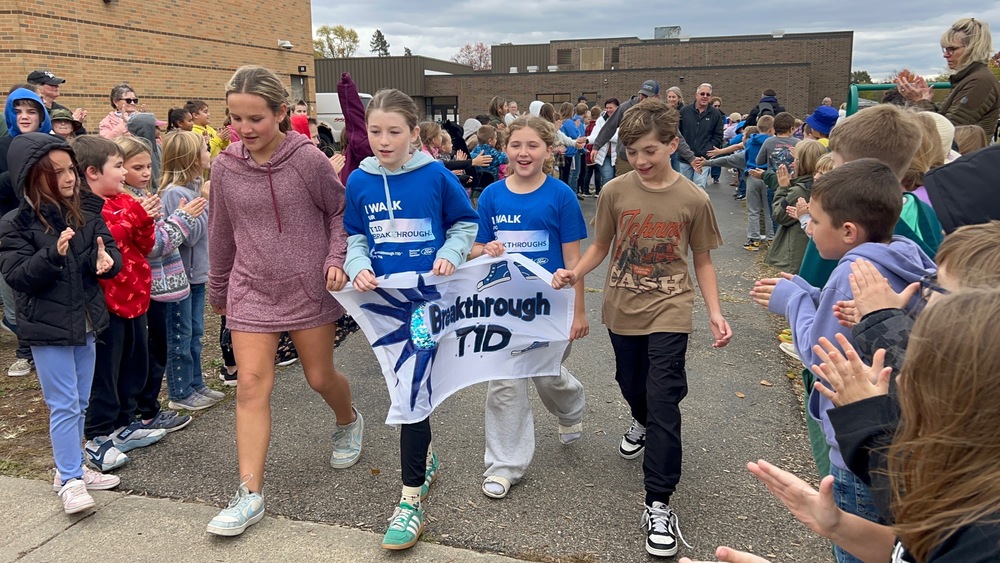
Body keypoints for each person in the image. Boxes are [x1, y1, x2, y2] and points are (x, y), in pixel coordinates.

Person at [697, 288, 1000, 563]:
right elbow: (915, 548)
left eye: (917, 369)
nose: (901, 378)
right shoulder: (967, 489)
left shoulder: (985, 541)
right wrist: (839, 526)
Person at [551, 98, 732, 559]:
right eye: (633, 152)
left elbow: (703, 260)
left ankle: (659, 502)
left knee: (665, 398)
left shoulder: (694, 198)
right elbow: (601, 246)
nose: (642, 161)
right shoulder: (614, 191)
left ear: (673, 143)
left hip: (672, 307)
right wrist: (577, 273)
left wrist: (713, 311)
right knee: (631, 383)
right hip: (623, 307)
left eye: (651, 150)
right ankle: (641, 417)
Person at [751, 159, 935, 563]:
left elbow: (823, 352)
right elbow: (851, 323)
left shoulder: (852, 269)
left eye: (815, 221)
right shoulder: (901, 254)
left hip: (857, 447)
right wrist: (810, 294)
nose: (810, 228)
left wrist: (792, 301)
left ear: (848, 231)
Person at [206, 65, 362, 537]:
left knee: (319, 377)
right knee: (251, 386)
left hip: (307, 287)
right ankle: (249, 494)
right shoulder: (225, 165)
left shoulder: (308, 160)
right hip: (250, 290)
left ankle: (348, 419)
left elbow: (339, 212)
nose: (245, 129)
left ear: (281, 113)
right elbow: (221, 232)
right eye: (236, 118)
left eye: (255, 118)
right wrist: (218, 288)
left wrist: (337, 256)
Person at [343, 88, 479, 550]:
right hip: (384, 304)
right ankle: (425, 460)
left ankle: (409, 502)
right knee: (409, 388)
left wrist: (451, 252)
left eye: (393, 132)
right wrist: (357, 264)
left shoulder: (437, 176)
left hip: (430, 301)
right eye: (374, 131)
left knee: (411, 390)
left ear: (413, 134)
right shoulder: (359, 181)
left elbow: (465, 223)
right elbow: (356, 233)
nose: (382, 140)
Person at [0, 132, 122, 513]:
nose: (69, 178)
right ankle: (69, 479)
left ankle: (73, 468)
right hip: (48, 329)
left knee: (80, 401)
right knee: (64, 404)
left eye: (71, 169)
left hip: (84, 323)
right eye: (57, 172)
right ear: (32, 176)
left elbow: (107, 250)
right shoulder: (16, 223)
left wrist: (106, 263)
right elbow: (18, 275)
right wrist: (51, 255)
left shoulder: (85, 210)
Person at [470, 116, 588, 500]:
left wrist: (579, 312)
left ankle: (570, 406)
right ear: (505, 148)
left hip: (552, 308)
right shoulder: (491, 196)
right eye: (516, 144)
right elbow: (475, 248)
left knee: (547, 375)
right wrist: (484, 250)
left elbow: (574, 262)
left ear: (549, 150)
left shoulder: (561, 196)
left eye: (532, 145)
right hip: (504, 308)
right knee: (505, 381)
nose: (524, 153)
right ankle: (505, 464)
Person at [69, 135, 167, 465]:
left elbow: (144, 243)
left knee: (134, 364)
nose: (124, 173)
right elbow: (105, 236)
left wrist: (143, 219)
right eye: (119, 166)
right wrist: (137, 215)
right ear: (93, 172)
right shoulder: (83, 208)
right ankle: (98, 433)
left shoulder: (126, 201)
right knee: (105, 371)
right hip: (106, 305)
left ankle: (126, 423)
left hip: (135, 296)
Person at [115, 135, 201, 433]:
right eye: (136, 167)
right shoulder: (130, 201)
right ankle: (145, 411)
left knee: (158, 350)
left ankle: (148, 410)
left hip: (163, 284)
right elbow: (154, 245)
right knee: (150, 354)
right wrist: (182, 218)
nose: (145, 173)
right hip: (148, 288)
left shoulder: (142, 195)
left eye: (147, 166)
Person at [156, 131, 220, 411]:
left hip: (196, 275)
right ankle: (180, 392)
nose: (210, 154)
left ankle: (196, 384)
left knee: (194, 333)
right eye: (205, 150)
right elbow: (188, 236)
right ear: (191, 158)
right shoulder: (175, 194)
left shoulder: (192, 190)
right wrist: (205, 204)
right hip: (181, 277)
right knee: (180, 336)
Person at [1, 87, 52, 378]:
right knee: (16, 292)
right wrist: (18, 172)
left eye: (31, 111)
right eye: (17, 110)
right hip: (14, 229)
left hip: (49, 227)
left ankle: (48, 345)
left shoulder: (51, 143)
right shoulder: (4, 146)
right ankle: (25, 350)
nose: (24, 116)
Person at [896, 17, 1000, 138]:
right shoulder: (970, 78)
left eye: (952, 49)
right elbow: (945, 122)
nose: (945, 55)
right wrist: (925, 102)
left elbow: (946, 132)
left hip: (963, 155)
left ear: (973, 49)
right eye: (945, 49)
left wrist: (920, 102)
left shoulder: (980, 82)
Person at [764, 140, 827, 274]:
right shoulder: (819, 186)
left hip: (795, 254)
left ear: (800, 163)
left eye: (795, 160)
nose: (792, 163)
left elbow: (779, 215)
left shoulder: (799, 191)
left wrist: (783, 187)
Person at [678, 83, 724, 189]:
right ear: (696, 95)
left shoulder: (715, 114)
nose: (705, 96)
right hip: (685, 159)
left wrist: (706, 152)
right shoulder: (685, 111)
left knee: (699, 188)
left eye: (708, 95)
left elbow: (718, 136)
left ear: (710, 97)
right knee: (684, 188)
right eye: (702, 94)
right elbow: (678, 133)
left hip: (702, 160)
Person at [26, 69, 87, 136]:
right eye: (51, 84)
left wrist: (76, 124)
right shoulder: (31, 110)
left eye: (57, 84)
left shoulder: (62, 110)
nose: (57, 87)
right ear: (37, 86)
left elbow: (81, 137)